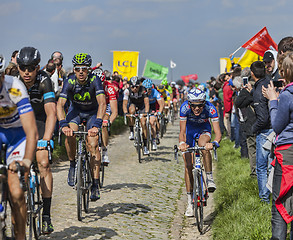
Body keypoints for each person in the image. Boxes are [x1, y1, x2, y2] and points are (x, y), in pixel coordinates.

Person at [17, 46, 57, 234]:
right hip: (21, 124)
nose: (27, 72)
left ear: (37, 67)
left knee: (43, 163)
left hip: (41, 122)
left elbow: (51, 113)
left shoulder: (44, 81)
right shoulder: (13, 83)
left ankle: (46, 216)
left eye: (31, 68)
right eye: (23, 67)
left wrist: (46, 139)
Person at [57, 53, 106, 201]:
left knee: (93, 144)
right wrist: (63, 123)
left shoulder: (94, 80)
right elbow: (60, 104)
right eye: (77, 69)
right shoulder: (70, 80)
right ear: (74, 69)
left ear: (88, 69)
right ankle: (72, 164)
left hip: (92, 113)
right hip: (76, 112)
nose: (80, 72)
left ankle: (95, 184)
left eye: (84, 69)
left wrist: (97, 124)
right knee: (70, 134)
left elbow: (102, 103)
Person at [0, 54, 38, 240]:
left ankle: (21, 235)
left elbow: (31, 131)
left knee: (16, 191)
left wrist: (27, 161)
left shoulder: (14, 87)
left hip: (17, 135)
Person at [262, 51, 293, 240]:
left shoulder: (288, 95)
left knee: (280, 201)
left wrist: (273, 100)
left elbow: (277, 125)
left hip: (287, 153)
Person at [178, 88, 221, 217]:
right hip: (189, 132)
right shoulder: (184, 108)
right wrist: (182, 143)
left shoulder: (210, 108)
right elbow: (182, 132)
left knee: (203, 145)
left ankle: (209, 177)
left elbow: (218, 133)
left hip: (203, 130)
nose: (197, 109)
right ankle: (190, 202)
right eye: (194, 106)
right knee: (188, 166)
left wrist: (213, 143)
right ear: (189, 104)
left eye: (200, 106)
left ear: (204, 103)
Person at [250, 61, 274, 203]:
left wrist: (254, 129)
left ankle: (264, 198)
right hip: (275, 128)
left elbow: (263, 118)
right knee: (271, 166)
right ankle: (274, 197)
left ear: (252, 74)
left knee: (262, 167)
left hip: (265, 131)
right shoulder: (269, 83)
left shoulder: (259, 90)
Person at [123, 76, 150, 155]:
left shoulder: (143, 90)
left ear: (139, 86)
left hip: (142, 106)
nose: (134, 88)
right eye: (133, 87)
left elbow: (147, 103)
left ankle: (145, 146)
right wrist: (125, 113)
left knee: (143, 123)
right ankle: (131, 131)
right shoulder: (127, 91)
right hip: (133, 104)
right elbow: (124, 103)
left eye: (136, 87)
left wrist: (146, 112)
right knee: (131, 111)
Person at [142, 79, 164, 150]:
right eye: (146, 89)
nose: (148, 91)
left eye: (149, 89)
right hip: (143, 106)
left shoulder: (155, 92)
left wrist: (159, 112)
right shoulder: (142, 92)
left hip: (152, 107)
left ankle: (154, 140)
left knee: (152, 122)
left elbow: (161, 104)